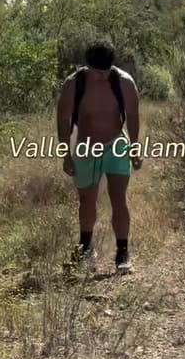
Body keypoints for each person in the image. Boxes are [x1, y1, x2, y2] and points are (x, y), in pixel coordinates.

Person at [56, 41, 141, 273]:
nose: (102, 76)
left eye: (106, 71)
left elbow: (133, 116)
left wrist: (134, 148)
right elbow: (63, 119)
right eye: (97, 72)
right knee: (87, 200)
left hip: (116, 144)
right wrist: (65, 154)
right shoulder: (74, 84)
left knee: (119, 197)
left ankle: (122, 253)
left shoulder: (124, 82)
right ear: (88, 66)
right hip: (86, 147)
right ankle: (85, 248)